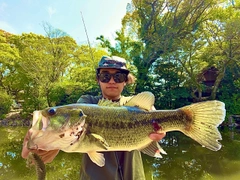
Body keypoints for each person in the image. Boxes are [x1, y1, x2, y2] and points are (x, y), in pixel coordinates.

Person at [21, 55, 165, 180]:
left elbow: (152, 113)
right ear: (98, 79)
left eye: (118, 76)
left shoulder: (136, 106)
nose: (112, 81)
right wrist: (48, 145)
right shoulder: (86, 103)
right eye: (105, 76)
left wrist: (158, 123)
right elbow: (72, 126)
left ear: (126, 80)